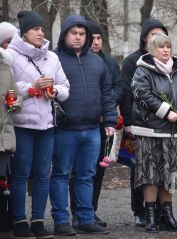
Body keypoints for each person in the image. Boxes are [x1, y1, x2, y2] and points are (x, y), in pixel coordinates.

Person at [49, 15, 117, 236]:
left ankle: (85, 218)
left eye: (82, 34)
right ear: (65, 34)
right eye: (73, 33)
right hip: (64, 129)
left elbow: (107, 94)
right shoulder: (54, 59)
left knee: (86, 175)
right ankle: (61, 221)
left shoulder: (97, 61)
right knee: (60, 174)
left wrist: (109, 121)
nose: (78, 38)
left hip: (92, 131)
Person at [7, 10, 70, 239]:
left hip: (47, 125)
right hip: (22, 124)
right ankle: (18, 220)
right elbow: (8, 91)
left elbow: (65, 87)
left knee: (43, 174)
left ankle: (38, 220)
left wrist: (53, 90)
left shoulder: (51, 57)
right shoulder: (10, 56)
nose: (40, 32)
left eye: (42, 29)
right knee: (21, 175)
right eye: (35, 28)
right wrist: (32, 85)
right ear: (24, 32)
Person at [131, 32, 177, 233]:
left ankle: (167, 216)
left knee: (170, 175)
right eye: (161, 47)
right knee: (151, 174)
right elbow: (143, 94)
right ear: (152, 50)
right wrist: (166, 112)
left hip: (173, 132)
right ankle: (151, 217)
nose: (165, 50)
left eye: (168, 46)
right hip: (150, 130)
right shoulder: (142, 71)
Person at [68, 19, 123, 228]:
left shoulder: (108, 62)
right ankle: (77, 212)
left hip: (105, 124)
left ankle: (92, 211)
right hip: (85, 122)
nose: (96, 42)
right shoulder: (78, 60)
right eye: (94, 37)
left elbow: (118, 87)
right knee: (80, 169)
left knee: (99, 169)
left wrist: (106, 110)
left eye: (100, 38)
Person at [120, 18, 168, 227]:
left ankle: (159, 210)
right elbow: (127, 93)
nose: (157, 39)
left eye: (161, 35)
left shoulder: (168, 61)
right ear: (145, 38)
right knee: (140, 169)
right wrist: (128, 122)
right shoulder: (133, 61)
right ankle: (140, 210)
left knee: (162, 167)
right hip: (139, 123)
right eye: (153, 35)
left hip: (164, 124)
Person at [0, 47, 20, 234]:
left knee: (3, 181)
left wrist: (15, 103)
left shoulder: (6, 68)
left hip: (3, 136)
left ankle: (4, 221)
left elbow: (18, 95)